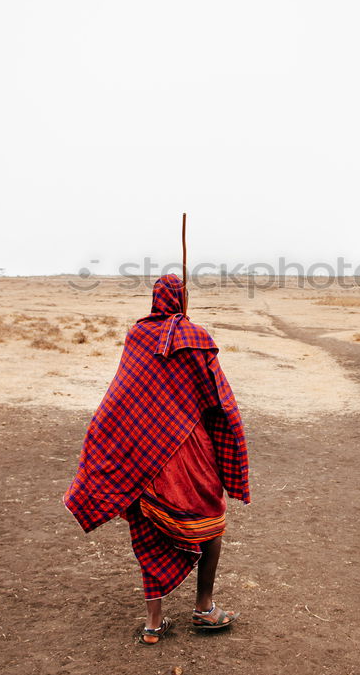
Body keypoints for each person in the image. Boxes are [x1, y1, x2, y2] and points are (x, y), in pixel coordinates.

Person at [63, 273, 250, 644]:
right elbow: (218, 399)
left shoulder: (137, 335)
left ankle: (153, 623)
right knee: (211, 521)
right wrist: (232, 445)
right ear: (182, 300)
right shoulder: (196, 337)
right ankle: (204, 607)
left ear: (154, 299)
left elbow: (123, 392)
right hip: (189, 448)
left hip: (143, 451)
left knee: (147, 529)